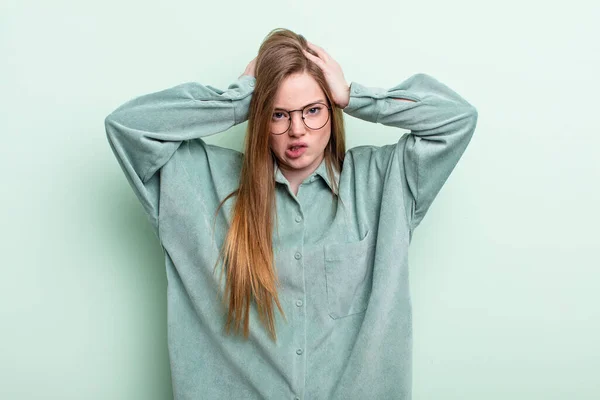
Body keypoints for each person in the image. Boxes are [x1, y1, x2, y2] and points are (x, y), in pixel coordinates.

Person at [105, 28, 478, 400]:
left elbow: (456, 119)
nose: (297, 130)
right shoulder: (201, 185)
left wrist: (353, 96)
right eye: (278, 114)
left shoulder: (385, 181)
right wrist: (239, 100)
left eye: (313, 110)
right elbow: (128, 126)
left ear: (332, 111)